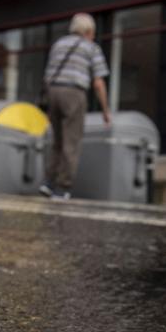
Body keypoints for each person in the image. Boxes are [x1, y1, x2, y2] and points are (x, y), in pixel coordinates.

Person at [39, 13, 112, 199]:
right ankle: (62, 188)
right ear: (88, 31)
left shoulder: (59, 44)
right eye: (93, 33)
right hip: (74, 93)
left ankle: (48, 182)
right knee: (71, 142)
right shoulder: (91, 47)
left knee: (57, 141)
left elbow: (47, 74)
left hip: (53, 92)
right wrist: (105, 109)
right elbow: (98, 83)